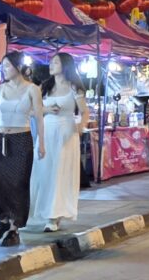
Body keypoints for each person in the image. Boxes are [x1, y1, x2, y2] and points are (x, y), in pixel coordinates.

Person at [0, 52, 46, 246]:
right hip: (0, 139)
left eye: (7, 66)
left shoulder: (32, 89)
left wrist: (41, 143)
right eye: (2, 66)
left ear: (18, 67)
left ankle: (14, 228)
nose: (3, 69)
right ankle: (2, 220)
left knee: (17, 185)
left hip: (21, 141)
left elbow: (39, 118)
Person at [29, 53, 89, 232]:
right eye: (51, 62)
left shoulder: (74, 87)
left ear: (65, 65)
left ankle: (54, 216)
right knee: (43, 172)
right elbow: (31, 110)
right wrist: (46, 109)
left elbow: (84, 112)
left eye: (55, 62)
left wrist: (80, 128)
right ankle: (41, 211)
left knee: (59, 174)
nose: (51, 65)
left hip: (66, 132)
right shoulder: (45, 86)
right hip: (46, 132)